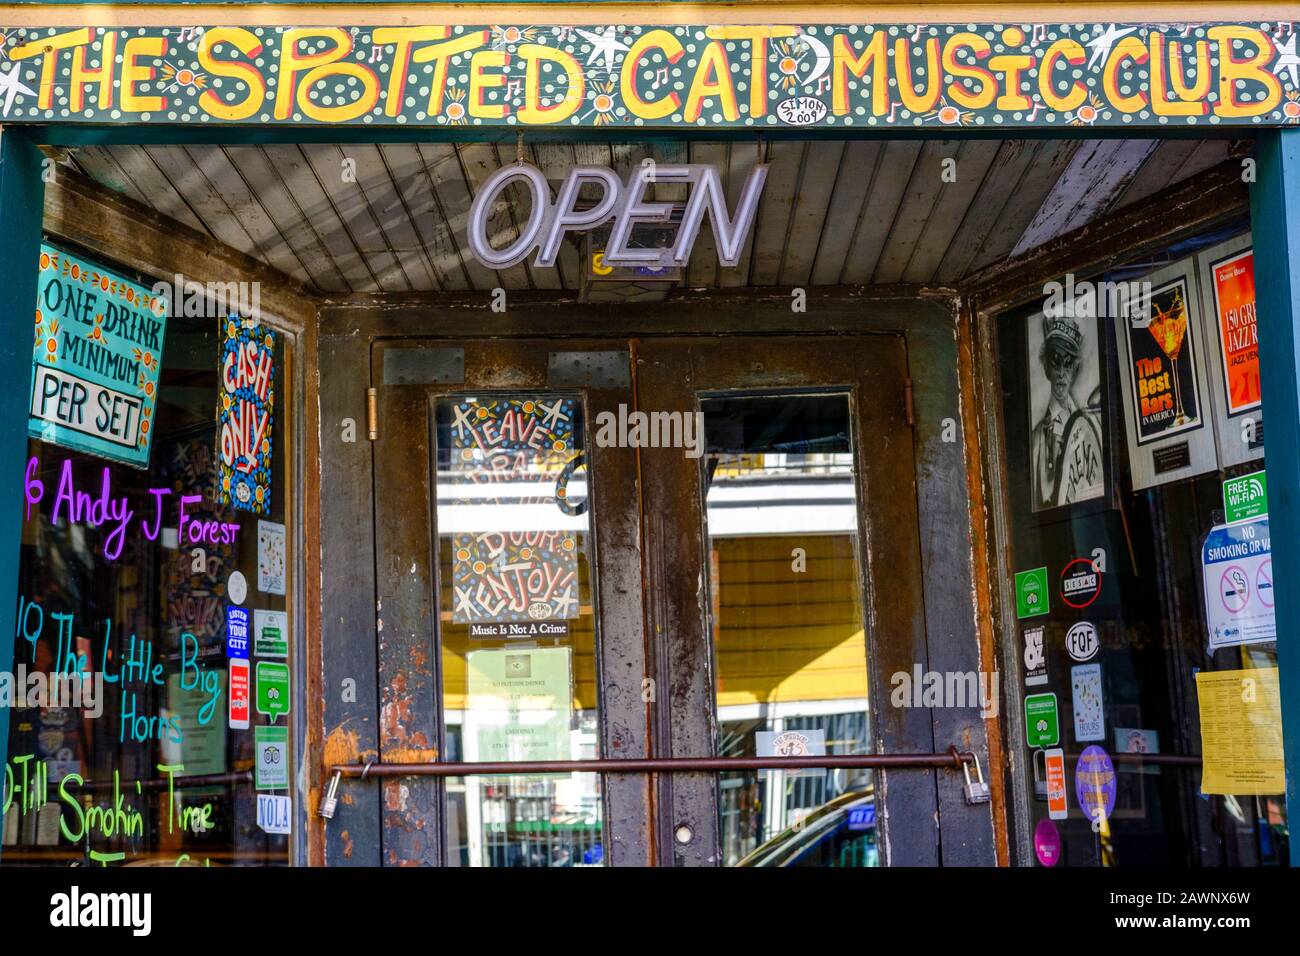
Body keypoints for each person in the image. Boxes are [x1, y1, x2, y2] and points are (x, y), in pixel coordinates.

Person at [1031, 312, 1085, 509]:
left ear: (1075, 370)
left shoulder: (1087, 423)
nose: (1062, 372)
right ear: (1046, 368)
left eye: (1068, 363)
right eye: (1055, 361)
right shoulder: (1038, 438)